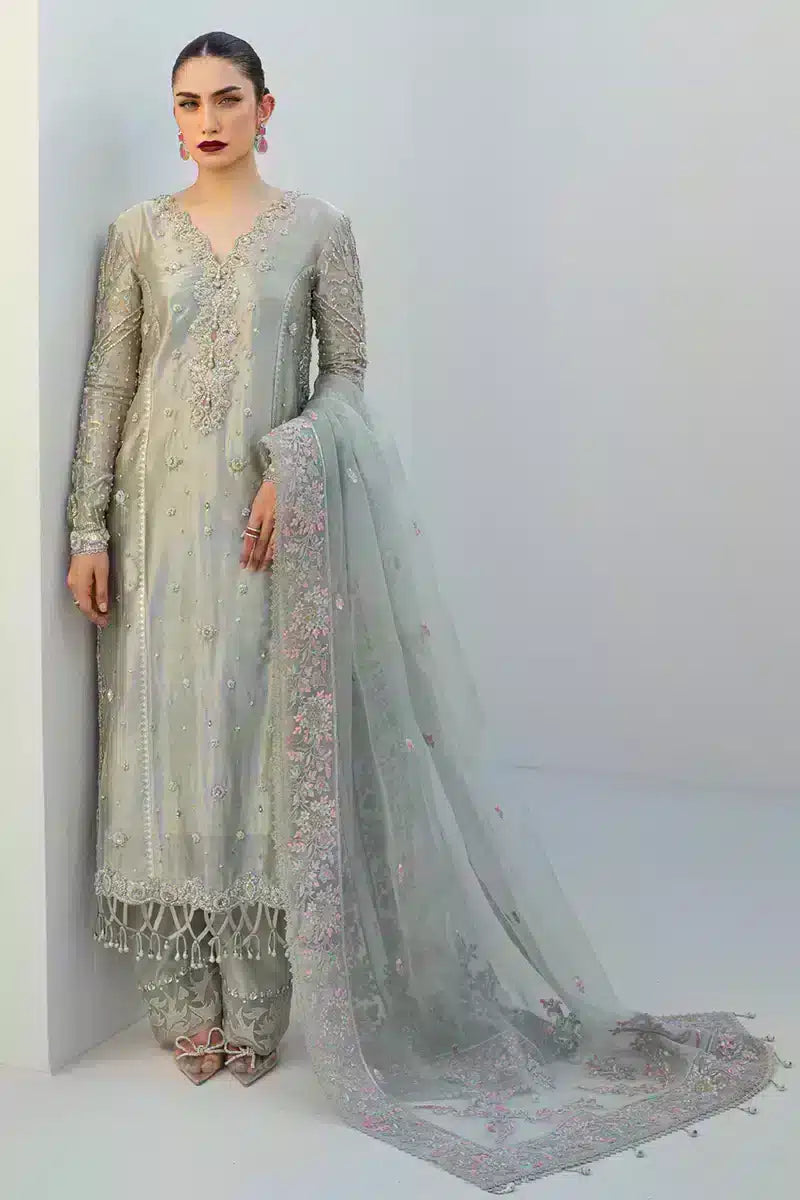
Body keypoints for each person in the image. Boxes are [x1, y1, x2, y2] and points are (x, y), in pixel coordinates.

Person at [66, 28, 781, 1189]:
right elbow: (109, 379)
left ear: (266, 107)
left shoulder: (317, 230)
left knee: (254, 741)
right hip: (154, 529)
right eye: (187, 102)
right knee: (163, 738)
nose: (206, 121)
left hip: (264, 527)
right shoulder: (138, 235)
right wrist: (87, 530)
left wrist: (292, 461)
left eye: (228, 99)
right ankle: (178, 991)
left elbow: (346, 374)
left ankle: (258, 992)